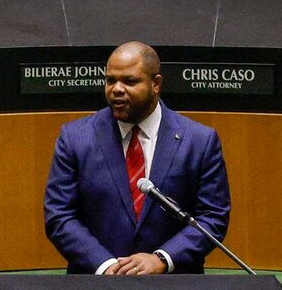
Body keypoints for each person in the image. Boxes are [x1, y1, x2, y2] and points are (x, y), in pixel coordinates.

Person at [42, 41, 231, 275]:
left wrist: (162, 259)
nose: (117, 89)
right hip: (96, 287)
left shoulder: (199, 141)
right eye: (111, 80)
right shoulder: (75, 138)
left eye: (130, 81)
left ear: (156, 84)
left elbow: (213, 217)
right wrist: (105, 265)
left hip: (175, 288)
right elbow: (59, 216)